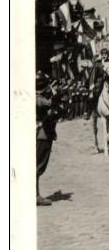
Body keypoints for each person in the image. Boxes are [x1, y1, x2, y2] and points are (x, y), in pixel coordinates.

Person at [36, 72, 61, 206]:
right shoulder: (40, 99)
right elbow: (51, 105)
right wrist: (56, 93)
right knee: (38, 166)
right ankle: (35, 196)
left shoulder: (35, 97)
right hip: (43, 134)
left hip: (37, 133)